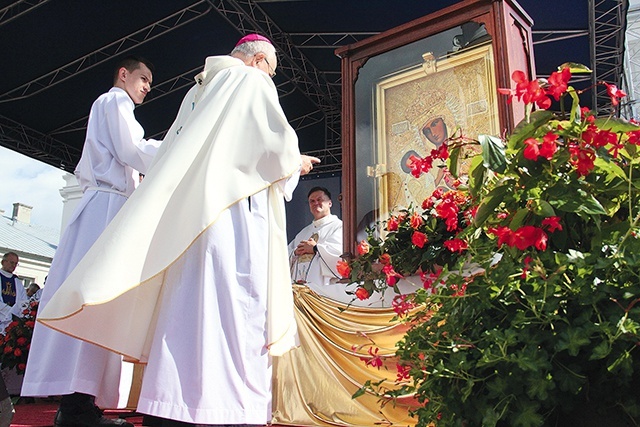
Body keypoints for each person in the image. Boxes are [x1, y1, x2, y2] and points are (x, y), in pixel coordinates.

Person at [35, 34, 319, 427]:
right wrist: (296, 162)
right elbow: (272, 147)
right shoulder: (252, 81)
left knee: (184, 309)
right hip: (231, 214)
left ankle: (169, 406)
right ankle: (224, 409)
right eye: (271, 70)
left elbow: (169, 150)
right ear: (257, 61)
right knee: (232, 310)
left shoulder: (197, 90)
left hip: (190, 217)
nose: (271, 78)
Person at [21, 55, 162, 427]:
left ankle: (82, 399)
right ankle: (77, 405)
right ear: (123, 74)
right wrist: (178, 151)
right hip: (106, 210)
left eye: (150, 81)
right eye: (143, 78)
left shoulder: (112, 106)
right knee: (94, 301)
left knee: (99, 304)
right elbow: (132, 150)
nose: (147, 86)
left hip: (110, 206)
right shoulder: (114, 101)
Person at [288, 187, 344, 300]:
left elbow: (339, 253)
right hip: (298, 291)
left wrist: (315, 249)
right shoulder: (303, 233)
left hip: (323, 291)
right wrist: (294, 253)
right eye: (312, 201)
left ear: (330, 203)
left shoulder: (339, 226)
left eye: (319, 199)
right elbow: (285, 255)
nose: (315, 203)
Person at [0, 252, 29, 329]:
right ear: (3, 262)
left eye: (16, 264)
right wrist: (10, 311)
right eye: (11, 262)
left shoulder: (18, 282)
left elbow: (24, 301)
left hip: (11, 322)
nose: (13, 266)